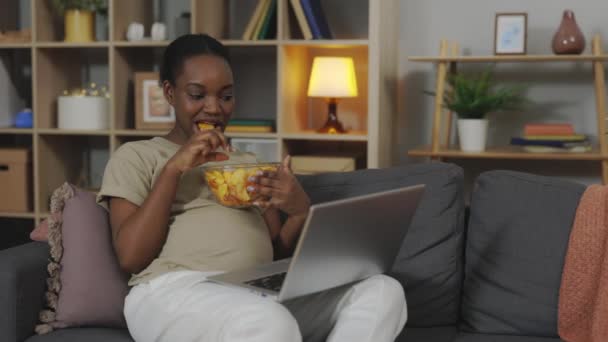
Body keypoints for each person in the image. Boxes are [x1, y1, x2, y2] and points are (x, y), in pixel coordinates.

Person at [97, 33, 407, 342]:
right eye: (197, 95)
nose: (214, 108)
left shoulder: (247, 162)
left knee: (382, 291)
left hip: (254, 291)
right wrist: (174, 168)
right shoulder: (138, 155)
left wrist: (299, 212)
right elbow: (131, 256)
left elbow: (273, 251)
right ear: (169, 92)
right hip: (173, 291)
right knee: (268, 322)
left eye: (226, 96)